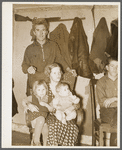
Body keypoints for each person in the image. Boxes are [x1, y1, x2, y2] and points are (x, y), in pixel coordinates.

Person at [21, 17, 76, 96]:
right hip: (35, 84)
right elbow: (24, 66)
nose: (41, 33)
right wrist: (28, 68)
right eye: (38, 30)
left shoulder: (53, 45)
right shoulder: (29, 49)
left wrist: (69, 69)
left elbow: (60, 60)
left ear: (47, 32)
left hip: (49, 83)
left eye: (43, 30)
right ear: (34, 32)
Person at [44, 63, 80, 146]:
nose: (58, 75)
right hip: (50, 114)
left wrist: (71, 108)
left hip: (67, 114)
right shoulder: (45, 88)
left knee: (72, 127)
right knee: (54, 125)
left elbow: (77, 103)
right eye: (55, 73)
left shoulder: (65, 86)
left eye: (59, 72)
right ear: (49, 74)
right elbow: (39, 101)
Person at [22, 80, 53, 146]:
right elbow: (24, 100)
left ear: (46, 89)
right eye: (39, 90)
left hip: (44, 120)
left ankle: (44, 145)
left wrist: (46, 105)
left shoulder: (48, 98)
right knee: (41, 119)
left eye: (43, 89)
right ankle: (36, 141)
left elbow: (52, 109)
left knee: (45, 129)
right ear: (35, 90)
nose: (41, 92)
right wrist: (25, 106)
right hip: (34, 118)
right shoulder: (33, 97)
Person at [96, 56, 118, 146]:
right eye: (112, 66)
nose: (115, 69)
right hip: (107, 112)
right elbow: (103, 102)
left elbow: (109, 101)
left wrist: (115, 98)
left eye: (118, 66)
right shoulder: (101, 82)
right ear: (107, 67)